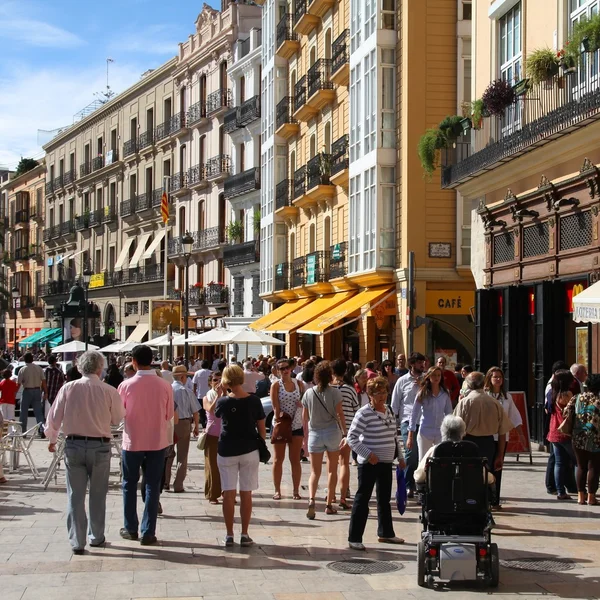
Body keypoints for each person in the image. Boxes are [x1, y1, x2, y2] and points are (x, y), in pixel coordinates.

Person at [44, 350, 125, 554]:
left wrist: (52, 439)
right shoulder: (108, 390)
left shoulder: (68, 388)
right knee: (98, 495)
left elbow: (54, 417)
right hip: (100, 446)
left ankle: (77, 541)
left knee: (75, 496)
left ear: (80, 367)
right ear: (100, 367)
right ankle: (96, 537)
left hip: (74, 445)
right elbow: (117, 418)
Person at [118, 344, 174, 545]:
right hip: (157, 441)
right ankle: (148, 531)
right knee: (152, 486)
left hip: (132, 441)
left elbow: (118, 414)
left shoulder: (125, 386)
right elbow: (169, 414)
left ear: (133, 361)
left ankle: (130, 528)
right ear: (152, 361)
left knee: (129, 484)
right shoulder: (164, 385)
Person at [347, 376, 405, 551]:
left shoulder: (388, 411)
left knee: (384, 500)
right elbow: (352, 438)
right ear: (370, 394)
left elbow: (394, 437)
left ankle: (386, 533)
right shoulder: (363, 413)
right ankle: (354, 537)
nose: (382, 396)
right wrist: (368, 454)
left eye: (384, 392)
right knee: (362, 499)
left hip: (387, 463)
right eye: (378, 393)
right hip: (369, 464)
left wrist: (401, 457)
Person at [215, 365, 266, 547]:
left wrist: (222, 392)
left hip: (227, 449)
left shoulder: (223, 402)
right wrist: (261, 443)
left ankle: (229, 534)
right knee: (246, 494)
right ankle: (244, 534)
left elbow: (214, 412)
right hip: (249, 449)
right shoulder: (254, 401)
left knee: (228, 494)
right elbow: (261, 426)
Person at [302, 361, 347, 519]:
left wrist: (305, 436)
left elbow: (304, 417)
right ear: (330, 376)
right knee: (331, 470)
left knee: (314, 472)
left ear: (316, 376)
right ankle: (328, 504)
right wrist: (345, 433)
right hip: (332, 433)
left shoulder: (309, 393)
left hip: (314, 433)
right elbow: (340, 414)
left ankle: (311, 499)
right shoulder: (335, 392)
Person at [453, 372, 514, 476]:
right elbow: (503, 432)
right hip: (488, 444)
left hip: (468, 443)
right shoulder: (494, 402)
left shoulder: (464, 402)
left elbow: (455, 428)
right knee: (486, 476)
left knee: (468, 476)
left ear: (468, 385)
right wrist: (500, 455)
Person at [484, 366, 525, 509]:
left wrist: (521, 434)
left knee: (498, 466)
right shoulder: (484, 395)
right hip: (486, 436)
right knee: (486, 468)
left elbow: (514, 415)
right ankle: (485, 500)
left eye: (500, 377)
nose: (498, 379)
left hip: (501, 437)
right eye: (495, 377)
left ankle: (495, 500)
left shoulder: (507, 396)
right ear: (489, 378)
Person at [414, 415, 495, 485]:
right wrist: (492, 478)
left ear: (442, 431)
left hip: (438, 495)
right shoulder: (470, 450)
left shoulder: (435, 450)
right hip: (467, 495)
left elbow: (419, 477)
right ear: (463, 432)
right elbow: (485, 477)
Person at [390, 351, 426, 498]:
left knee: (423, 455)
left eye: (423, 363)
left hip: (425, 421)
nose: (422, 365)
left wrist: (423, 386)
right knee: (411, 454)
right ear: (411, 364)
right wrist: (393, 423)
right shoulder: (402, 380)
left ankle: (420, 485)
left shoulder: (427, 380)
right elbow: (395, 403)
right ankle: (408, 485)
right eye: (419, 363)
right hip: (407, 421)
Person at [270, 358, 305, 500]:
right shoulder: (276, 385)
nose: (285, 370)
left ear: (291, 369)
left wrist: (301, 404)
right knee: (278, 459)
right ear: (277, 371)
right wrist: (280, 421)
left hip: (296, 424)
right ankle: (277, 490)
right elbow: (275, 407)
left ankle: (296, 490)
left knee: (295, 459)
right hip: (281, 424)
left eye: (287, 368)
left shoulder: (299, 384)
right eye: (281, 368)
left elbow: (304, 402)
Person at [165, 365, 201, 493]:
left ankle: (165, 482)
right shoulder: (186, 391)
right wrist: (196, 426)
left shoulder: (167, 389)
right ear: (182, 377)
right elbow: (195, 411)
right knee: (182, 456)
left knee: (168, 454)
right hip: (184, 423)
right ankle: (178, 484)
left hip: (168, 424)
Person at [407, 366, 453, 458]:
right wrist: (410, 435)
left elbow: (449, 413)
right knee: (423, 460)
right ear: (429, 376)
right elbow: (414, 413)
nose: (436, 378)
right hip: (425, 431)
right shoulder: (422, 392)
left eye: (439, 375)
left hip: (441, 432)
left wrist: (450, 432)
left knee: (441, 460)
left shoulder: (445, 393)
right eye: (434, 375)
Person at [546, 369, 577, 500]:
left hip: (553, 431)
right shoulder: (567, 394)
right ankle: (580, 489)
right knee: (577, 462)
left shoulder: (551, 394)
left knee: (559, 463)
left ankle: (560, 491)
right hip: (565, 433)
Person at [332, 358, 359, 508]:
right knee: (344, 463)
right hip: (347, 430)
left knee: (332, 464)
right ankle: (344, 494)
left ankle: (332, 494)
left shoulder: (328, 389)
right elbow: (357, 409)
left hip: (330, 430)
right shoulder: (350, 389)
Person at [571, 374, 600, 505]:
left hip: (578, 436)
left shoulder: (577, 398)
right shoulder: (598, 399)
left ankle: (580, 497)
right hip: (596, 437)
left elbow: (566, 413)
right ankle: (591, 497)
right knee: (594, 466)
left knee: (581, 466)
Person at [203, 371, 223, 504]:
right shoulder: (207, 397)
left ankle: (227, 492)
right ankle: (212, 494)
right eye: (215, 380)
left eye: (220, 380)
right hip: (212, 434)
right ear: (210, 382)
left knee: (227, 466)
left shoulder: (228, 396)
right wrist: (219, 395)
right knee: (212, 465)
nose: (218, 383)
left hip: (227, 434)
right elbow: (211, 409)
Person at [17, 352, 48, 435]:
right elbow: (44, 381)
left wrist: (14, 393)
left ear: (25, 360)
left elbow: (18, 383)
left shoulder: (23, 369)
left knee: (23, 412)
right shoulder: (39, 368)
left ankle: (23, 431)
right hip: (37, 390)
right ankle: (42, 430)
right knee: (38, 412)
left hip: (27, 390)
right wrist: (45, 392)